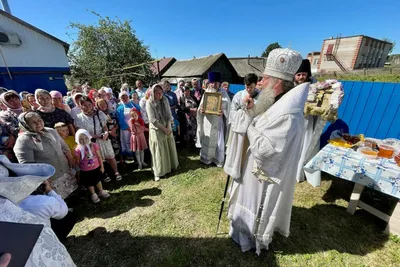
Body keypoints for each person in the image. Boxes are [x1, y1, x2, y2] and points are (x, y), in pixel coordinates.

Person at [225, 48, 309, 254]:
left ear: (277, 82)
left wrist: (250, 127)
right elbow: (263, 118)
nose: (261, 82)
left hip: (265, 173)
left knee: (255, 204)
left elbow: (266, 151)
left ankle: (251, 238)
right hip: (253, 168)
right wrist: (252, 110)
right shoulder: (275, 100)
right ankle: (241, 229)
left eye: (265, 78)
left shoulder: (288, 113)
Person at [0, 155, 76, 266]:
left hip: (16, 256)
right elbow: (62, 211)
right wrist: (50, 190)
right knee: (71, 215)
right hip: (45, 246)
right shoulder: (42, 202)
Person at [14, 111, 77, 199]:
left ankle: (72, 203)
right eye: (33, 122)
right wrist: (43, 179)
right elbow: (27, 165)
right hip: (49, 177)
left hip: (64, 168)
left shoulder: (51, 131)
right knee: (57, 197)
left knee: (70, 191)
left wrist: (70, 158)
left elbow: (64, 146)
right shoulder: (23, 141)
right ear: (26, 125)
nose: (38, 123)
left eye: (39, 120)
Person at [74, 96, 122, 181]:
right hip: (91, 142)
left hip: (104, 139)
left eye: (89, 104)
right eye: (84, 105)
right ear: (80, 106)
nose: (87, 107)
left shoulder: (99, 113)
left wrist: (106, 133)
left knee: (110, 156)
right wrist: (98, 136)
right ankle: (103, 174)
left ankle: (116, 172)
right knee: (98, 158)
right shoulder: (79, 118)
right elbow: (83, 133)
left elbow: (104, 126)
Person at [294, 59, 324, 182]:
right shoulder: (291, 87)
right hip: (293, 122)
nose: (301, 77)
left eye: (304, 74)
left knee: (304, 147)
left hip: (307, 122)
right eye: (299, 74)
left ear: (308, 75)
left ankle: (299, 172)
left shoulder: (314, 88)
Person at [196, 72, 231, 167]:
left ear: (219, 83)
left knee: (217, 140)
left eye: (215, 82)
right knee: (208, 139)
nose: (213, 85)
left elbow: (228, 108)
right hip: (208, 121)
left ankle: (217, 159)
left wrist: (223, 112)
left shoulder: (223, 93)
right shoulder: (207, 92)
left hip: (218, 121)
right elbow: (200, 107)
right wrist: (201, 111)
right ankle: (207, 159)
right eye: (212, 82)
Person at [146, 84, 179, 181]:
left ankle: (171, 166)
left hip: (166, 126)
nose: (159, 94)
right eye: (157, 93)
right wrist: (164, 129)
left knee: (168, 146)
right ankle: (159, 171)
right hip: (157, 129)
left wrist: (168, 127)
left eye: (161, 92)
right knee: (159, 150)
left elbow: (169, 114)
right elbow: (152, 120)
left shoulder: (165, 100)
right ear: (153, 93)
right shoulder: (149, 103)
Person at [74, 129, 110, 203]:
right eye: (81, 139)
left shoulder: (94, 145)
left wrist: (102, 166)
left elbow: (99, 156)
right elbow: (78, 161)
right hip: (86, 170)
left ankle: (101, 191)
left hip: (96, 167)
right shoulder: (78, 149)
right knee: (89, 182)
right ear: (77, 140)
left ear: (88, 137)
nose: (84, 141)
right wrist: (80, 168)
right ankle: (93, 194)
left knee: (98, 180)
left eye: (86, 138)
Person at [96, 99, 121, 163]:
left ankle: (121, 162)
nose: (103, 105)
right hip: (107, 136)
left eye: (104, 104)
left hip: (115, 134)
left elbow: (117, 122)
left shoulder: (111, 112)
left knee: (118, 148)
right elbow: (100, 127)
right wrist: (109, 132)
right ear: (98, 106)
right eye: (101, 105)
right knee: (110, 152)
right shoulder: (98, 116)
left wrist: (114, 129)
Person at [116, 91, 138, 161]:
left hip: (136, 127)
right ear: (120, 99)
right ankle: (130, 156)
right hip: (126, 129)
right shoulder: (119, 108)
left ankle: (138, 157)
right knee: (128, 142)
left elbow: (139, 114)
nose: (125, 98)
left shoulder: (134, 105)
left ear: (128, 97)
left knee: (136, 142)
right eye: (123, 97)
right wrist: (129, 128)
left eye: (126, 97)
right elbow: (121, 120)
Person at [0, 91, 22, 160]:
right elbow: (12, 128)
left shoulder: (28, 109)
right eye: (11, 101)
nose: (15, 102)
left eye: (16, 99)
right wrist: (13, 135)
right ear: (5, 103)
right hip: (19, 143)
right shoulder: (5, 115)